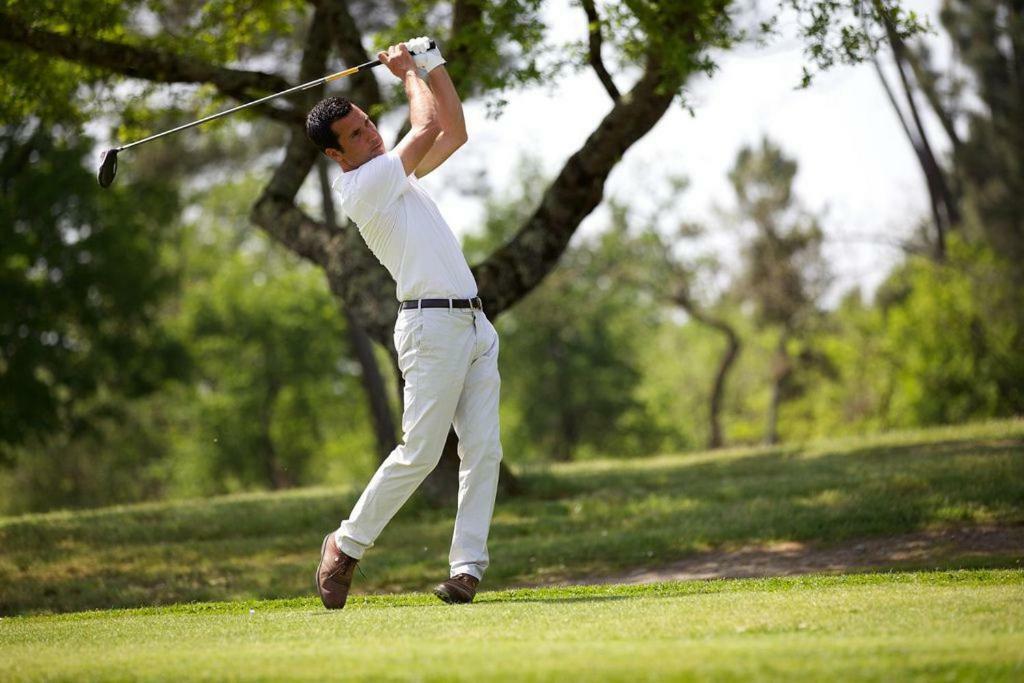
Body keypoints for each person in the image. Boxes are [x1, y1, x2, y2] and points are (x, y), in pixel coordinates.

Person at [304, 38, 503, 609]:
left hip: (473, 326)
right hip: (429, 330)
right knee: (420, 451)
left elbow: (452, 130)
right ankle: (345, 543)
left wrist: (433, 62)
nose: (373, 134)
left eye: (369, 123)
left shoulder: (398, 176)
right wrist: (408, 73)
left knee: (483, 450)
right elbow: (424, 124)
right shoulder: (362, 186)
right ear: (336, 155)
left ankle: (466, 570)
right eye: (359, 135)